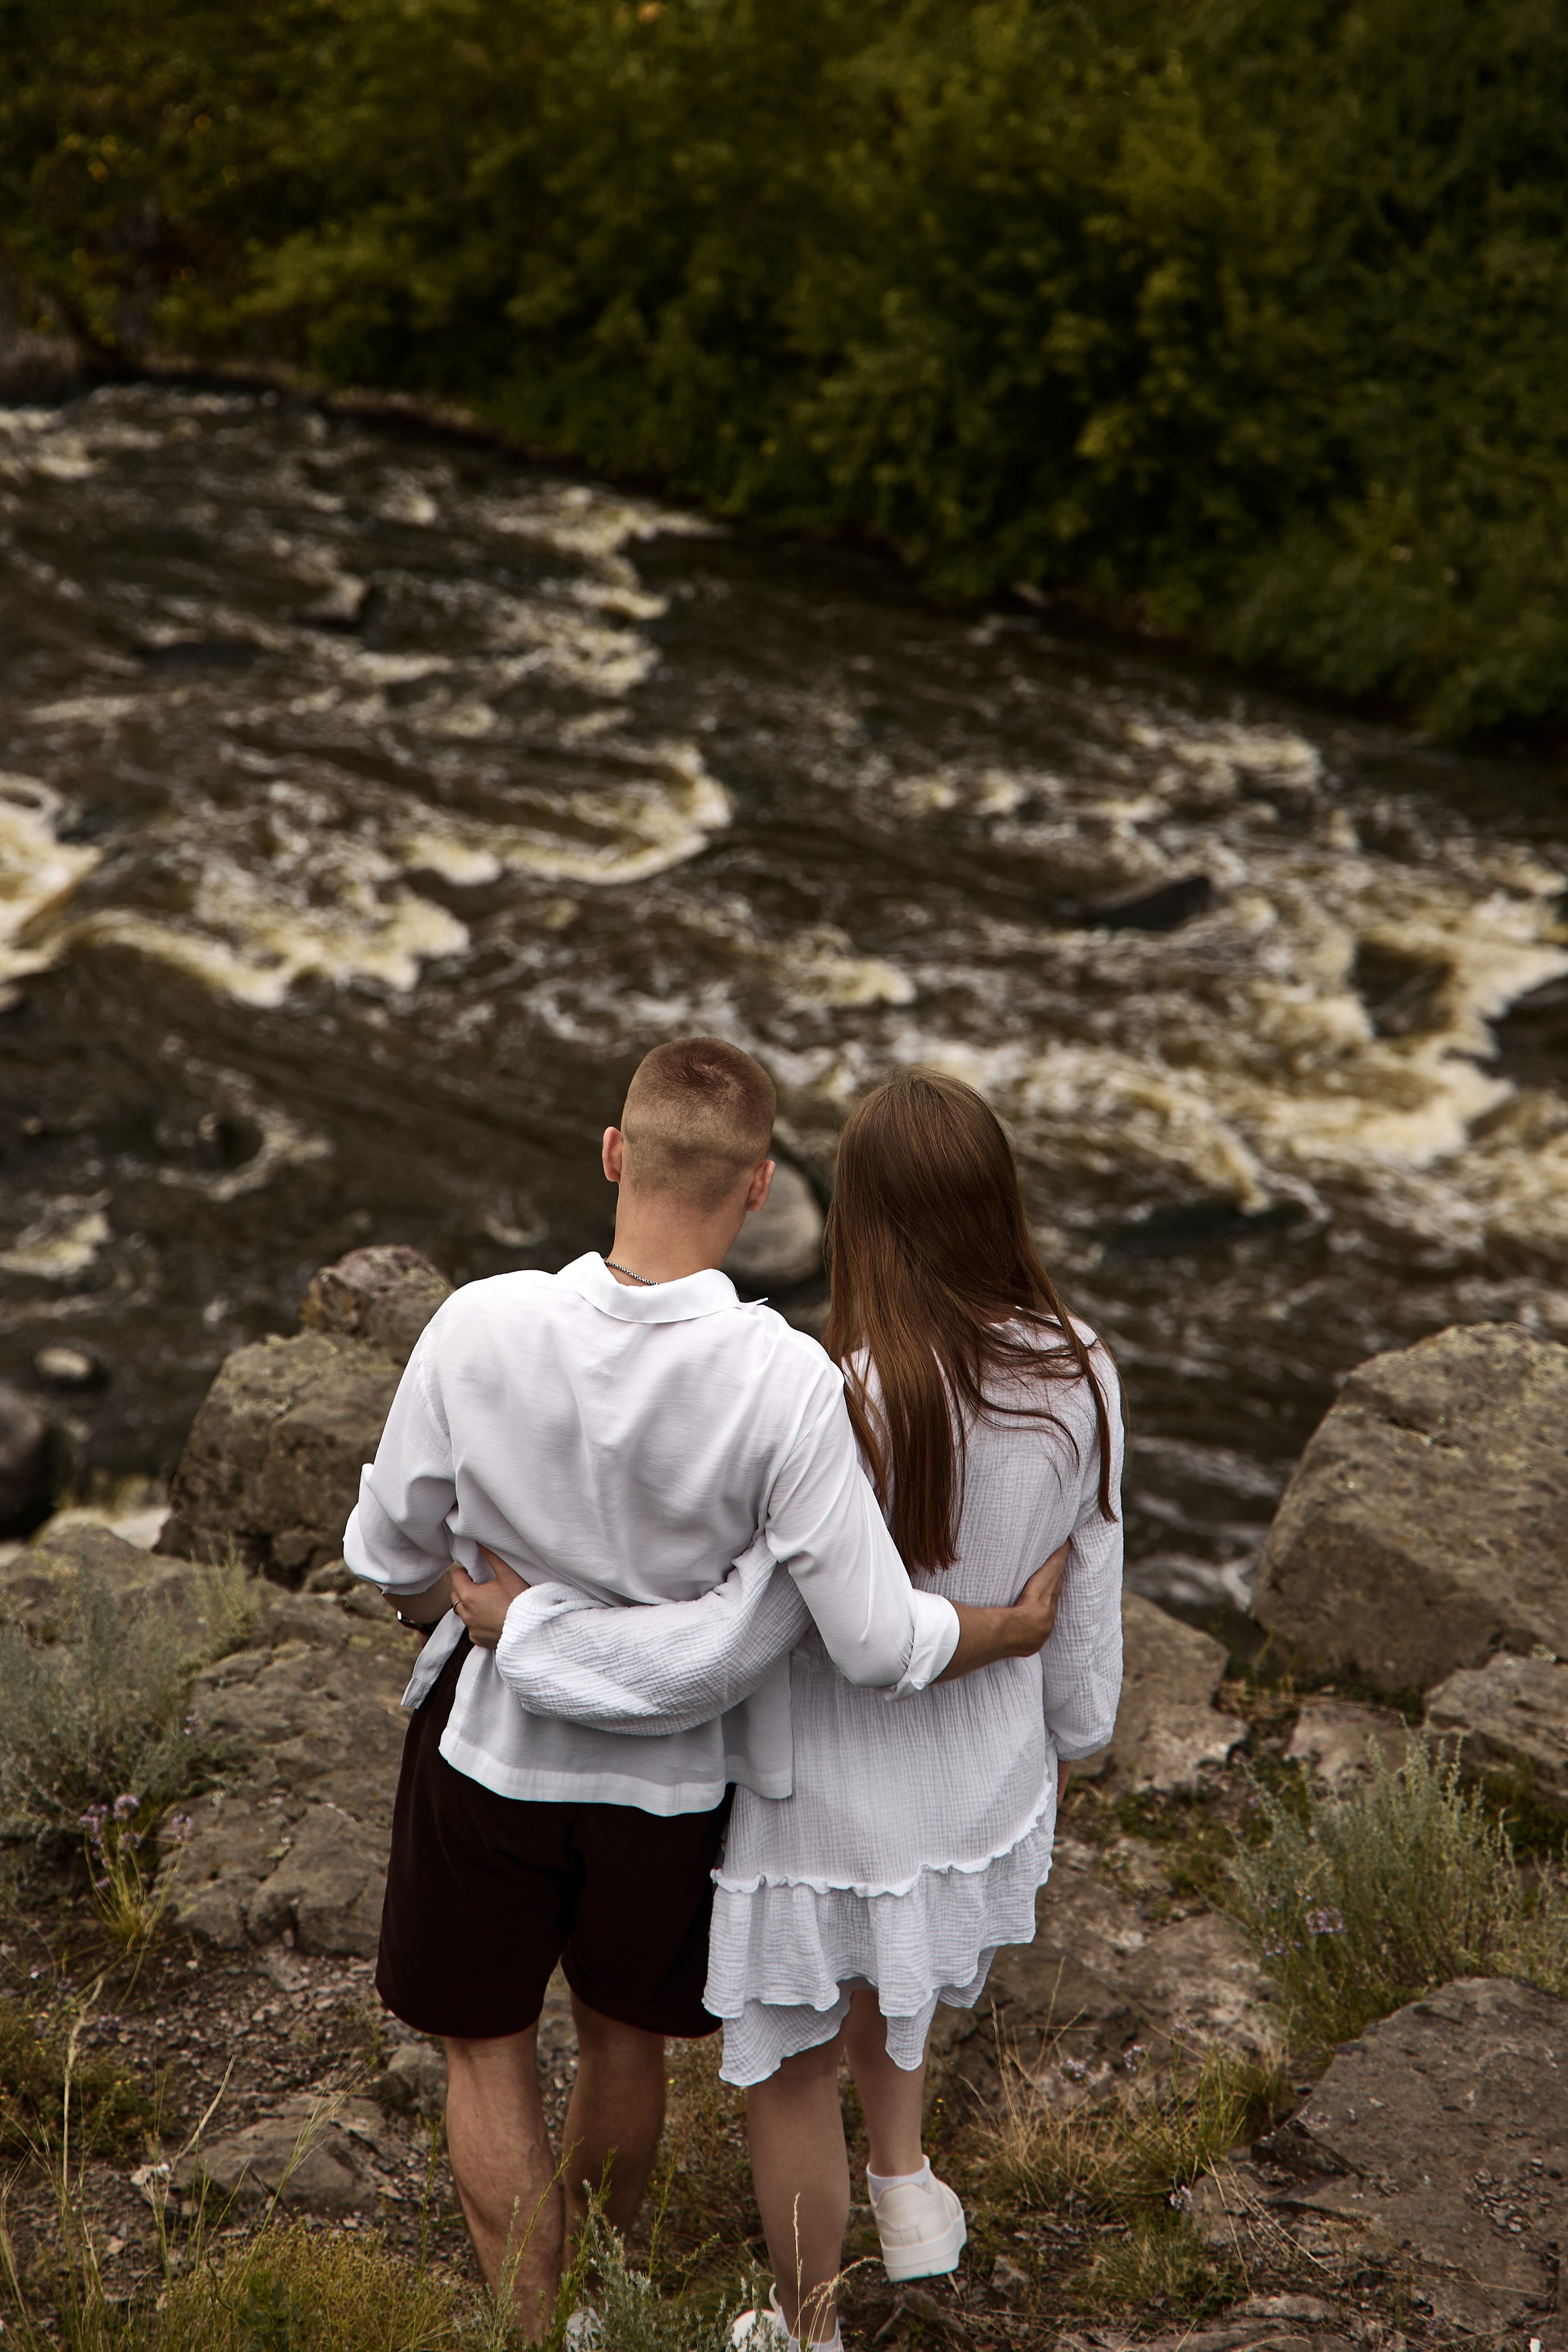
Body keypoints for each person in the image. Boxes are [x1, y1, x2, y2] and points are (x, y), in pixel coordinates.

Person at [344, 1039, 1071, 2331]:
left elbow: (389, 1553)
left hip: (488, 1754)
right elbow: (872, 1640)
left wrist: (464, 1614)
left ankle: (538, 2331)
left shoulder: (477, 1325)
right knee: (621, 2038)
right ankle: (601, 2310)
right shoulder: (787, 1380)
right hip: (673, 1789)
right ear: (758, 1187)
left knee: (485, 2051)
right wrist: (1009, 1628)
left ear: (613, 1154)